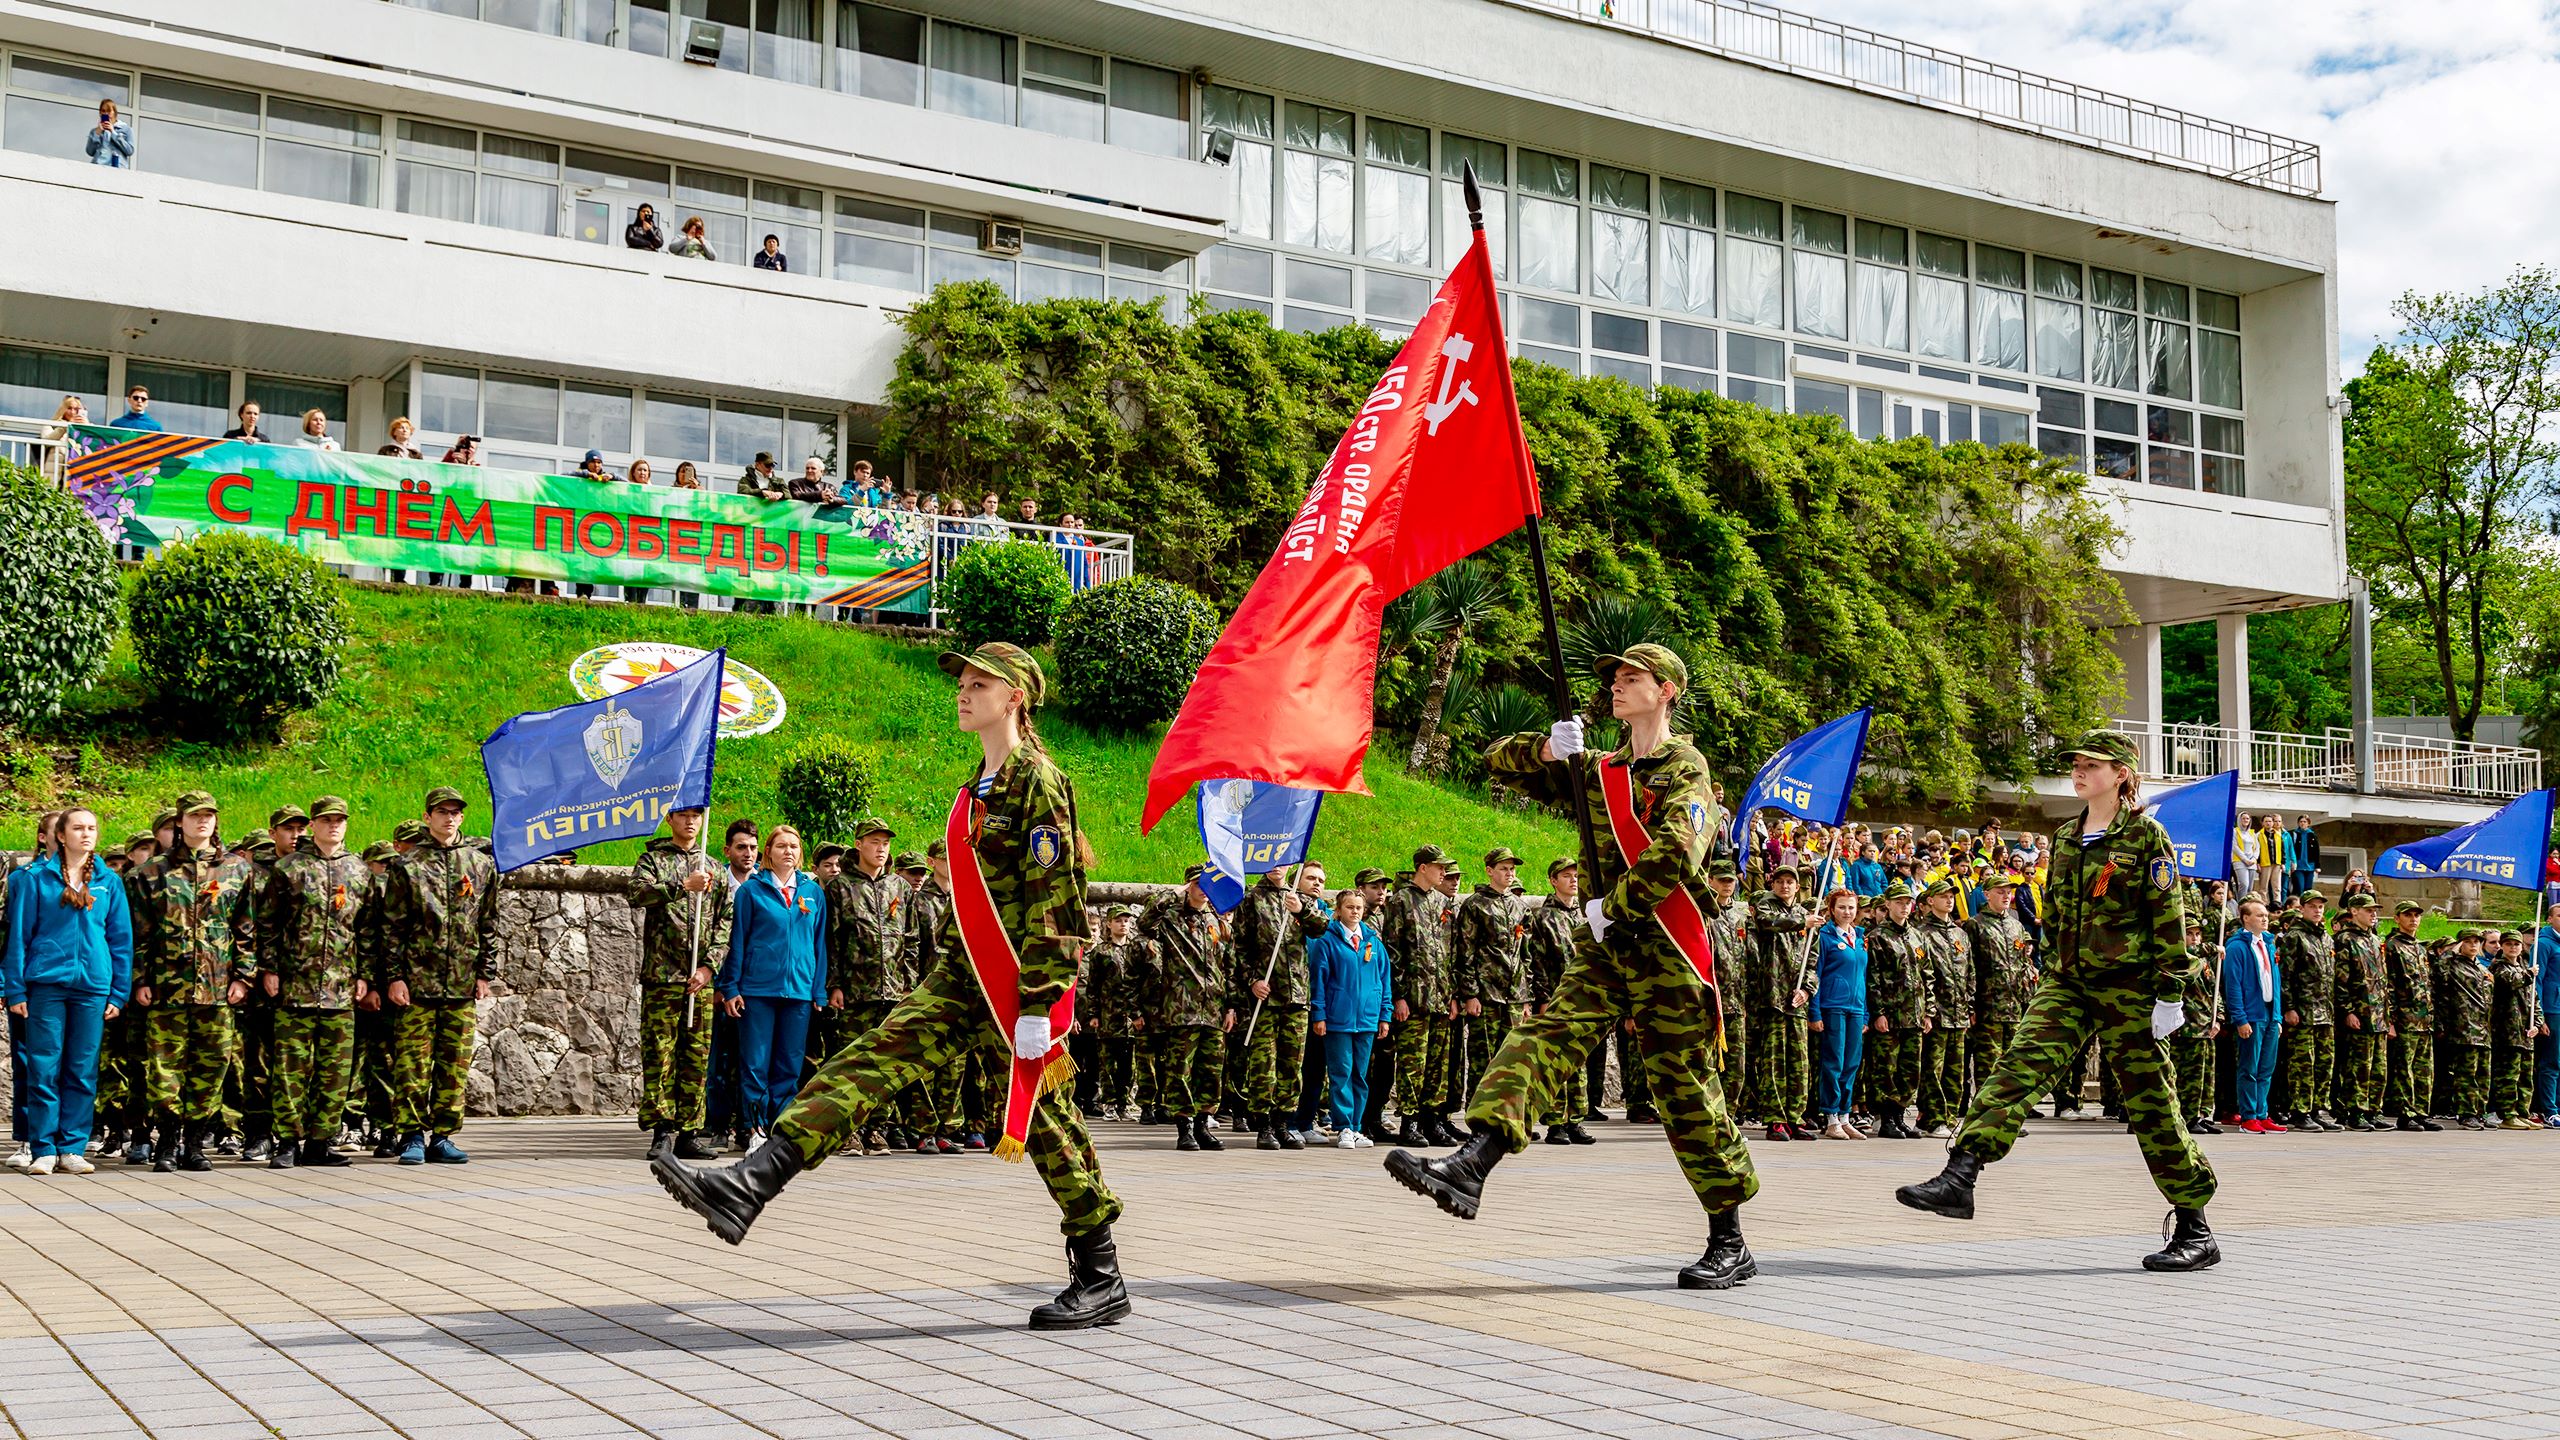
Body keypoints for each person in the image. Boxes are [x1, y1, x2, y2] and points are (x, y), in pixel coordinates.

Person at [655, 643, 1127, 1329]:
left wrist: (1038, 1002)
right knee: (870, 1060)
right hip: (964, 976)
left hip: (1014, 985)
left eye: (980, 683)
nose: (964, 692)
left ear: (1015, 697)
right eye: (962, 682)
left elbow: (1056, 900)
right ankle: (752, 1182)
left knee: (1047, 1121)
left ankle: (1101, 1273)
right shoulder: (975, 788)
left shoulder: (1037, 781)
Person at [1387, 644, 1761, 1291]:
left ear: (1667, 690)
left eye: (1633, 677)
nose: (1618, 685)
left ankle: (1729, 1241)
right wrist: (1546, 750)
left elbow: (1676, 851)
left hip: (1665, 944)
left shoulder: (1686, 767)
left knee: (1685, 1091)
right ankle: (1472, 1164)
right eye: (1614, 678)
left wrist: (1614, 907)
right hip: (1606, 946)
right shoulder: (1599, 770)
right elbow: (1494, 761)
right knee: (1547, 1036)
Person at [1896, 731, 2219, 1272]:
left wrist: (2170, 992)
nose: (2079, 772)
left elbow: (2167, 916)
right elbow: (2058, 915)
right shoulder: (2067, 836)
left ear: (2121, 774)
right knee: (2016, 1069)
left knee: (2151, 1105)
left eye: (2093, 764)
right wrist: (2052, 968)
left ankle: (2195, 1226)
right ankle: (1960, 1176)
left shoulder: (2146, 836)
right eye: (2076, 764)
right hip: (2068, 983)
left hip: (2128, 987)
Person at [126, 790, 258, 1174]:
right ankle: (167, 1142)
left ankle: (196, 1144)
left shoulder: (237, 870)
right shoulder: (150, 873)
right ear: (179, 822)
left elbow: (246, 929)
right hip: (166, 988)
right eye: (194, 815)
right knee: (163, 1068)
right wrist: (140, 978)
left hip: (217, 989)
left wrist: (244, 977)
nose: (203, 821)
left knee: (211, 1066)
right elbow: (138, 933)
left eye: (209, 815)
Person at [246, 795, 373, 1169]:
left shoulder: (359, 871)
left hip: (341, 988)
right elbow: (268, 924)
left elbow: (367, 930)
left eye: (340, 820)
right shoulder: (289, 869)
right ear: (313, 825)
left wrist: (365, 975)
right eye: (326, 820)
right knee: (290, 1070)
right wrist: (269, 969)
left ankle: (320, 1141)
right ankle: (287, 1141)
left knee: (335, 1072)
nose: (333, 826)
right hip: (295, 987)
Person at [3, 807, 131, 1176]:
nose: (86, 834)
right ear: (60, 835)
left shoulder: (108, 881)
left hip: (92, 988)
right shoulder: (34, 879)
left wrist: (117, 992)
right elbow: (19, 938)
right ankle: (43, 1148)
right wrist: (15, 989)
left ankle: (72, 1147)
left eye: (92, 828)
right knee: (43, 1068)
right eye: (78, 828)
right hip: (45, 985)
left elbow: (121, 941)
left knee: (82, 1069)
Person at [378, 785, 499, 1166]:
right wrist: (395, 976)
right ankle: (411, 1135)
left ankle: (443, 1136)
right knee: (412, 1064)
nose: (449, 818)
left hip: (461, 983)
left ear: (462, 817)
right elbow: (392, 927)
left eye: (455, 812)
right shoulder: (407, 865)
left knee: (454, 1065)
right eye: (441, 812)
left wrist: (485, 973)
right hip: (417, 984)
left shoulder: (479, 865)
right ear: (427, 817)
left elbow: (488, 923)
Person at [629, 805, 732, 1160]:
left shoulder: (713, 868)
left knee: (696, 1057)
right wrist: (682, 885)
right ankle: (662, 1130)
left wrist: (708, 968)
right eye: (683, 815)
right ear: (670, 819)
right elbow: (637, 894)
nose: (690, 821)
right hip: (663, 976)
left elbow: (725, 922)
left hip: (697, 980)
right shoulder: (653, 860)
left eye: (696, 816)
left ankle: (690, 1130)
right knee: (660, 1055)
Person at [720, 826, 827, 1146]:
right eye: (781, 846)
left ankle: (780, 1128)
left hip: (799, 992)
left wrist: (818, 989)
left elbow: (819, 945)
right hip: (758, 991)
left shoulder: (813, 892)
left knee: (789, 1065)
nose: (788, 851)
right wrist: (731, 987)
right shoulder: (751, 891)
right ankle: (755, 1129)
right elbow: (737, 941)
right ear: (768, 852)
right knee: (755, 1064)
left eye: (794, 846)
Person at [821, 816, 904, 1155]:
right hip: (855, 991)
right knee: (851, 1062)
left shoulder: (898, 886)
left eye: (885, 843)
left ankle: (877, 1127)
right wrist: (835, 984)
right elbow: (832, 940)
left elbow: (910, 939)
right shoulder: (840, 887)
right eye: (874, 842)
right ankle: (848, 1129)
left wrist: (908, 984)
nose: (881, 848)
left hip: (893, 990)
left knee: (885, 1064)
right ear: (858, 845)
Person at [1229, 868, 1323, 1150]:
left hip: (1296, 995)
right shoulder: (1251, 898)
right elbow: (1238, 947)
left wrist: (1301, 911)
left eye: (1283, 861)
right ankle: (1263, 1124)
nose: (1277, 866)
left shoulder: (1299, 899)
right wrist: (1252, 980)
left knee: (1291, 1065)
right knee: (1263, 1064)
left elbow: (1321, 927)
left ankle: (1283, 1122)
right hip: (1266, 998)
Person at [1140, 866, 1230, 1151]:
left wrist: (1231, 1006)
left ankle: (1203, 1124)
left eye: (1208, 883)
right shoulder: (1171, 917)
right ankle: (1184, 1128)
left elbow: (1227, 965)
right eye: (1198, 883)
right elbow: (1145, 922)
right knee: (1180, 1070)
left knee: (1211, 1070)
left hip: (1213, 1008)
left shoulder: (1215, 919)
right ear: (1188, 886)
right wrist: (1174, 893)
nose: (1204, 888)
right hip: (1182, 1008)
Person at [1380, 846, 1458, 1147]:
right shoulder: (1401, 900)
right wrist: (1398, 996)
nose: (1444, 873)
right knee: (1413, 1064)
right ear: (1422, 868)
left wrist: (1452, 994)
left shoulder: (1442, 902)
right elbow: (1393, 950)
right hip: (1413, 999)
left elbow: (1450, 951)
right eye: (1439, 867)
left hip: (1440, 997)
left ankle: (1431, 1120)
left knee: (1438, 1065)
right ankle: (1409, 1122)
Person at [1309, 889, 1392, 1148]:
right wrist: (1319, 1014)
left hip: (1366, 1020)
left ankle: (1356, 1127)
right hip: (1338, 1020)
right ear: (1338, 910)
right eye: (1349, 907)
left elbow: (1384, 981)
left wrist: (1384, 1015)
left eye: (1358, 908)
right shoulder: (1327, 941)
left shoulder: (1373, 942)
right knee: (1341, 1073)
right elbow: (1319, 981)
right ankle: (1343, 1126)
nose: (1355, 912)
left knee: (1360, 1075)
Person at [1861, 880, 1924, 1139]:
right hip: (1890, 1014)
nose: (1904, 907)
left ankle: (1899, 1115)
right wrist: (1878, 1012)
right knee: (1885, 1069)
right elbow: (1872, 977)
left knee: (1910, 1069)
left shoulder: (1916, 935)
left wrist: (1928, 1010)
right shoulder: (1877, 936)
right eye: (1899, 902)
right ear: (1887, 904)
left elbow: (1926, 974)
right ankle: (1886, 1118)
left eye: (1908, 902)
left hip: (1914, 1013)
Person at [1913, 877, 1972, 1139]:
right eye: (1943, 896)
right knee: (1933, 1069)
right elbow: (1922, 976)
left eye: (1951, 896)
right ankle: (1932, 1118)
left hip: (1959, 1012)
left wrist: (1970, 1005)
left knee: (1955, 1070)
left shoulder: (1960, 934)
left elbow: (1969, 972)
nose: (1949, 900)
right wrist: (1928, 1009)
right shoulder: (1922, 933)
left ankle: (1949, 1116)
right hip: (1936, 1012)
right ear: (1930, 901)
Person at [1809, 889, 1868, 1140]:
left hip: (1856, 1008)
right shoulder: (1824, 937)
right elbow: (1816, 975)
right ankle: (1831, 1117)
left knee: (1852, 1063)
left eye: (1851, 907)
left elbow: (1863, 977)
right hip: (1832, 1006)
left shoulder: (1860, 937)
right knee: (1834, 1062)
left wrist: (1865, 1013)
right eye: (1842, 907)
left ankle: (1845, 1116)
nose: (1847, 912)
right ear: (1832, 910)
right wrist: (1815, 1011)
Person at [2276, 890, 2336, 1131]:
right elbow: (2286, 975)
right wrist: (2289, 1007)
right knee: (2303, 1064)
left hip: (2325, 1011)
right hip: (2303, 1012)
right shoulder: (2295, 937)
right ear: (2302, 909)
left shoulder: (2326, 938)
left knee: (2324, 1063)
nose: (2317, 910)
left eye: (2320, 906)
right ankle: (2300, 1111)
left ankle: (2317, 1108)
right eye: (2312, 906)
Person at [2219, 898, 2282, 1130]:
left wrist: (2277, 1016)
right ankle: (2248, 1115)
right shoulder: (2237, 947)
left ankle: (2262, 1112)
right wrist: (2240, 1018)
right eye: (2259, 915)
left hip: (2269, 1013)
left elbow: (2275, 982)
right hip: (2251, 1014)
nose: (2265, 919)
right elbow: (2233, 985)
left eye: (2265, 915)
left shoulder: (2268, 944)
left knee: (2266, 1067)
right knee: (2249, 1067)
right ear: (2246, 918)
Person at [2330, 891, 2390, 1131]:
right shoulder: (2345, 939)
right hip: (2360, 1013)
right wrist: (2347, 1011)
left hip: (2378, 1014)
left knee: (2378, 1067)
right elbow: (2340, 979)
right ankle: (2354, 1111)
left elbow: (2382, 980)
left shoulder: (2374, 940)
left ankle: (2373, 1109)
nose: (2373, 914)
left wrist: (2387, 1014)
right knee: (2358, 1066)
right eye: (2368, 910)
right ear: (2354, 911)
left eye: (2375, 910)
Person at [2438, 931, 2493, 1128]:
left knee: (2483, 1074)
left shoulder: (2482, 968)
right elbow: (2439, 971)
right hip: (2464, 1027)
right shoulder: (2453, 965)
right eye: (2468, 942)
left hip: (2484, 1028)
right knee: (2466, 1074)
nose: (2473, 945)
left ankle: (2480, 1112)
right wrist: (2451, 952)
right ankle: (2466, 1113)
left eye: (2476, 942)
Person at [2173, 915, 2222, 1135]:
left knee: (2206, 1075)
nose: (2194, 939)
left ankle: (2202, 1114)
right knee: (2189, 1075)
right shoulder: (2181, 958)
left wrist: (2218, 1017)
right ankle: (2188, 1115)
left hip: (2206, 1024)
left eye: (2197, 934)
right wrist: (2214, 947)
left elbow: (2214, 990)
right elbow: (2188, 952)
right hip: (2188, 1025)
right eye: (2190, 934)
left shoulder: (2204, 961)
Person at [2489, 931, 2537, 1128]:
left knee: (2526, 1076)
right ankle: (2507, 1114)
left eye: (2516, 944)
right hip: (2507, 1030)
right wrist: (2530, 974)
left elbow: (2534, 999)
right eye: (2508, 944)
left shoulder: (2524, 967)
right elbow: (2510, 981)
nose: (2513, 947)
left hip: (2525, 1031)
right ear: (2502, 946)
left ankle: (2522, 1111)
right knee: (2509, 1075)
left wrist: (2537, 1023)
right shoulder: (2498, 966)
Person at [2536, 910, 2560, 1128]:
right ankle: (2549, 1110)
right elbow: (2538, 980)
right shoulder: (2544, 944)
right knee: (2551, 1061)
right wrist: (2539, 1014)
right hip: (2553, 1010)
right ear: (2550, 919)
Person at [87, 98, 132, 167]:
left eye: (109, 111)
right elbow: (90, 152)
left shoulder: (125, 129)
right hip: (98, 166)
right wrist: (97, 134)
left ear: (114, 112)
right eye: (103, 111)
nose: (106, 113)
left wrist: (113, 133)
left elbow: (129, 151)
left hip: (116, 167)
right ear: (100, 113)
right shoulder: (95, 131)